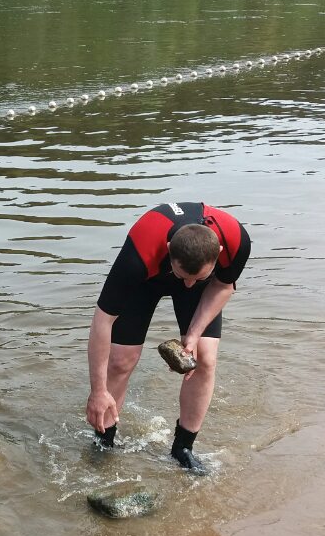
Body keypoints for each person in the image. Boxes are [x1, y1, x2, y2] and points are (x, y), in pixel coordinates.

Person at [85, 201, 251, 474]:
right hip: (146, 280)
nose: (186, 284)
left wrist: (194, 335)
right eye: (182, 276)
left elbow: (222, 285)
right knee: (120, 361)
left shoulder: (235, 239)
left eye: (195, 278)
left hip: (203, 284)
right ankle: (104, 440)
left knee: (204, 359)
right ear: (169, 249)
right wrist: (97, 391)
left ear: (219, 253)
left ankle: (183, 447)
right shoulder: (138, 254)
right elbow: (102, 321)